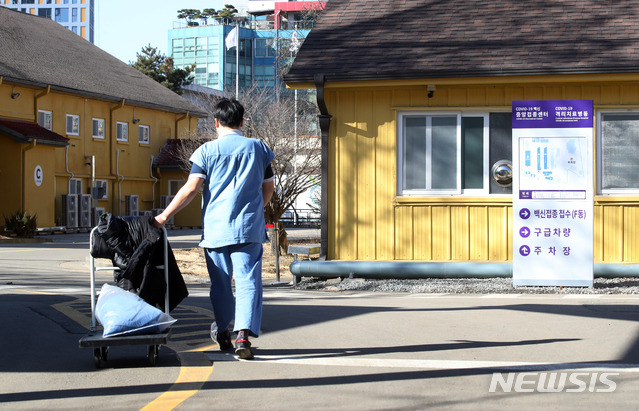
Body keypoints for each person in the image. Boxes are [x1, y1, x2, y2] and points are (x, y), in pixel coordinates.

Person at [152, 98, 275, 360]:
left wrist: (163, 217)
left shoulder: (206, 152)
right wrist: (255, 210)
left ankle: (221, 331)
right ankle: (242, 334)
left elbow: (191, 188)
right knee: (247, 280)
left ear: (216, 122)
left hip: (216, 229)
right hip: (248, 227)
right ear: (242, 122)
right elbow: (269, 188)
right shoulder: (259, 148)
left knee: (220, 283)